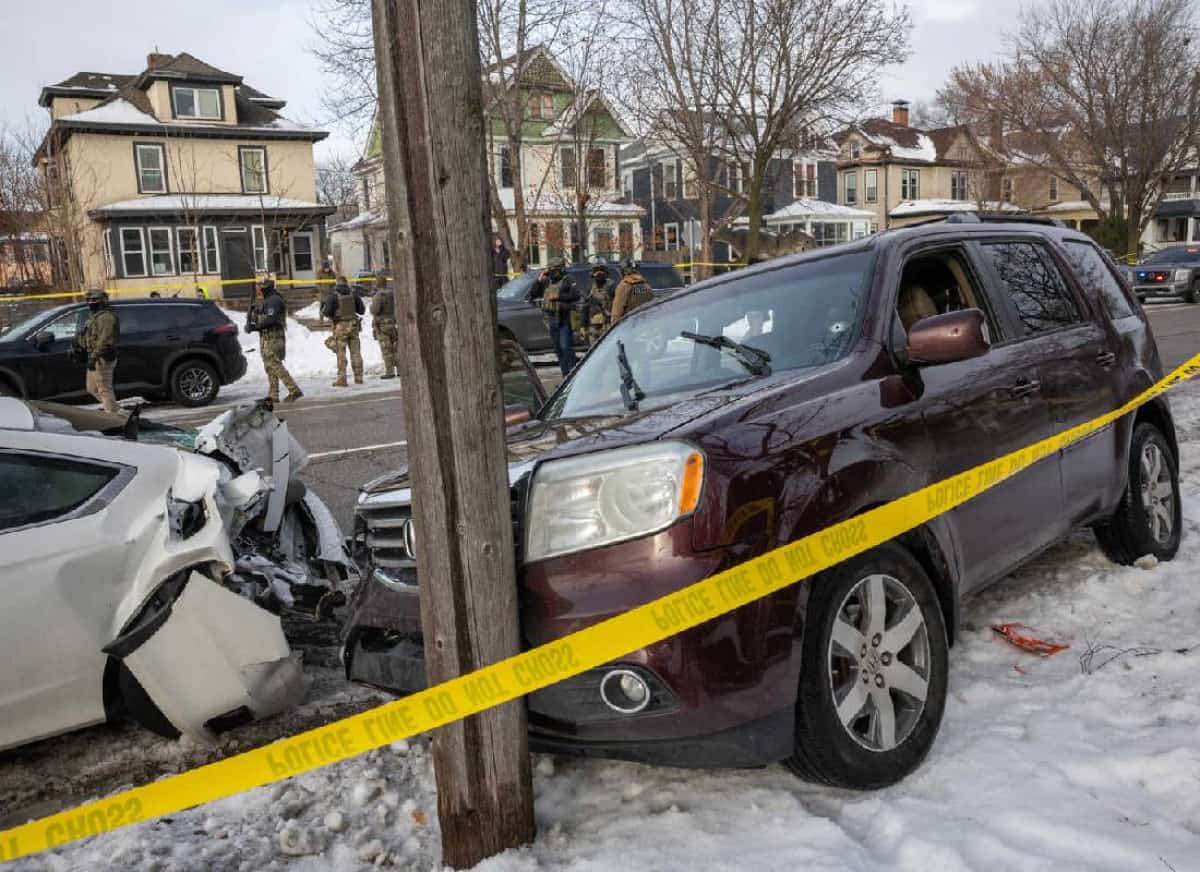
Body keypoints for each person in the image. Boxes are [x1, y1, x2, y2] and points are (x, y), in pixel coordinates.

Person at [246, 278, 303, 404]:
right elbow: (262, 317)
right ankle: (273, 395)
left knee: (275, 365)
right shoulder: (267, 300)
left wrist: (255, 326)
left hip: (274, 337)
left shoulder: (274, 300)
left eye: (262, 287)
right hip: (267, 337)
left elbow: (271, 320)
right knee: (270, 367)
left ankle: (294, 390)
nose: (260, 289)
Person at [531, 259, 580, 376]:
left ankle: (573, 374)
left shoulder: (567, 279)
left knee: (566, 348)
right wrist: (538, 281)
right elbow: (533, 294)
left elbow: (575, 295)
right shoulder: (547, 281)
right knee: (558, 349)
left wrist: (559, 296)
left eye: (553, 270)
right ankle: (565, 374)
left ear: (559, 269)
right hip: (551, 318)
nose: (551, 272)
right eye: (550, 269)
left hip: (563, 318)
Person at [77, 288, 120, 413]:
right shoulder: (94, 317)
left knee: (104, 389)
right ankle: (115, 409)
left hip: (103, 357)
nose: (91, 302)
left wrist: (94, 356)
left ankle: (113, 416)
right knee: (92, 388)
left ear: (103, 300)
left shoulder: (106, 317)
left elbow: (106, 339)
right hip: (94, 356)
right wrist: (78, 344)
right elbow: (89, 337)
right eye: (88, 300)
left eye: (95, 299)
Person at [321, 275, 365, 386]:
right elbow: (362, 310)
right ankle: (359, 378)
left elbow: (326, 312)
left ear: (337, 284)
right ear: (346, 283)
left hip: (340, 327)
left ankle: (342, 379)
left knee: (341, 354)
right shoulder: (354, 295)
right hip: (354, 326)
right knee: (356, 353)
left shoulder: (333, 296)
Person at [370, 269, 399, 379]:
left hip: (382, 325)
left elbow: (375, 310)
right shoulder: (392, 294)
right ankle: (400, 370)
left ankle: (390, 371)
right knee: (395, 348)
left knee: (386, 349)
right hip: (392, 323)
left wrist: (371, 307)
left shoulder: (379, 295)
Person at [580, 264, 615, 346]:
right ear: (592, 274)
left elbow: (619, 305)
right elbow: (584, 308)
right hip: (593, 326)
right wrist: (583, 326)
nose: (599, 273)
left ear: (606, 273)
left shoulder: (612, 287)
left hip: (608, 324)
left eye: (602, 270)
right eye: (596, 271)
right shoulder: (589, 289)